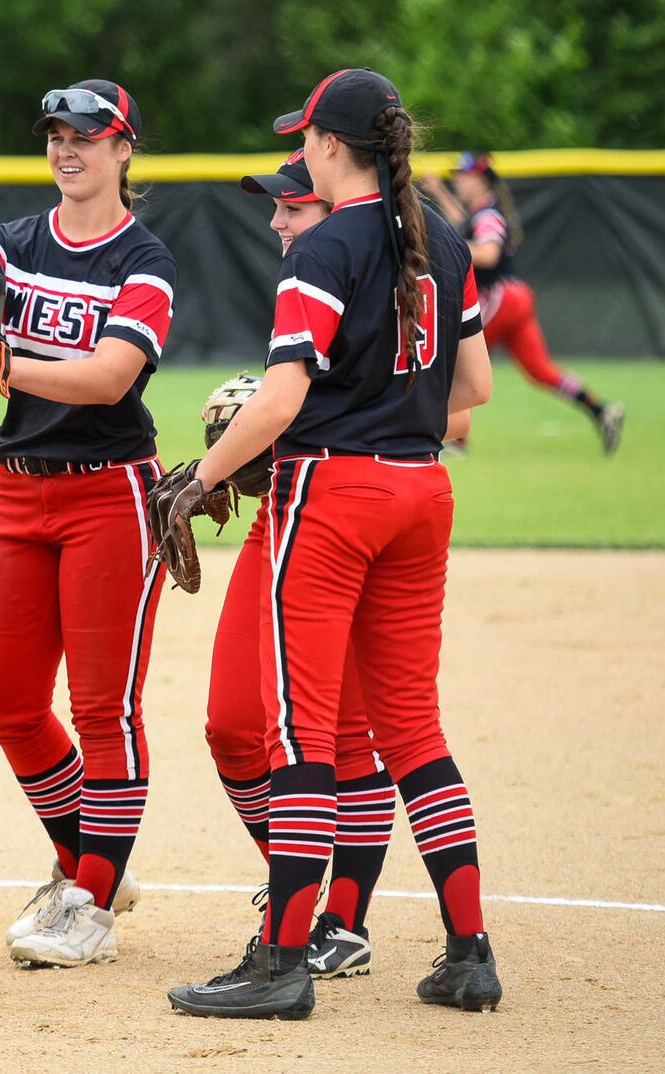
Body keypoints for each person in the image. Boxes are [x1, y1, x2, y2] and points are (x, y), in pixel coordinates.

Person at [166, 69, 500, 1019]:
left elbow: (280, 398)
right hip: (420, 491)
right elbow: (471, 384)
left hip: (335, 491)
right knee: (413, 730)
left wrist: (200, 477)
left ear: (327, 147)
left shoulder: (322, 249)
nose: (300, 148)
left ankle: (283, 962)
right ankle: (468, 953)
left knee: (302, 728)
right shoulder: (440, 237)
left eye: (305, 137)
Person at [0, 81, 180, 969]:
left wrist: (4, 360)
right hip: (19, 490)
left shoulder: (146, 258)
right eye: (55, 133)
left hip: (111, 494)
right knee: (7, 700)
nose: (67, 147)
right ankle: (96, 863)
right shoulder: (19, 240)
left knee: (103, 707)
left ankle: (88, 898)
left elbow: (109, 377)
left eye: (87, 134)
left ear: (124, 148)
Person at [200, 148, 397, 982]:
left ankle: (339, 919)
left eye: (294, 206)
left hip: (349, 509)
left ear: (339, 208)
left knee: (347, 732)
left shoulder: (392, 270)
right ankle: (296, 878)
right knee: (234, 723)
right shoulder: (312, 271)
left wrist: (301, 418)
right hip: (281, 512)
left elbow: (460, 402)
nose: (278, 222)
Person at [425, 153, 623, 453]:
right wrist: (439, 192)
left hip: (501, 297)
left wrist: (444, 246)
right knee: (540, 370)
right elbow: (461, 223)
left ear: (480, 181)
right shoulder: (482, 212)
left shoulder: (488, 215)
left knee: (456, 356)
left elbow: (488, 254)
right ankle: (600, 410)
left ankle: (456, 439)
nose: (459, 182)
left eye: (464, 176)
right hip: (517, 297)